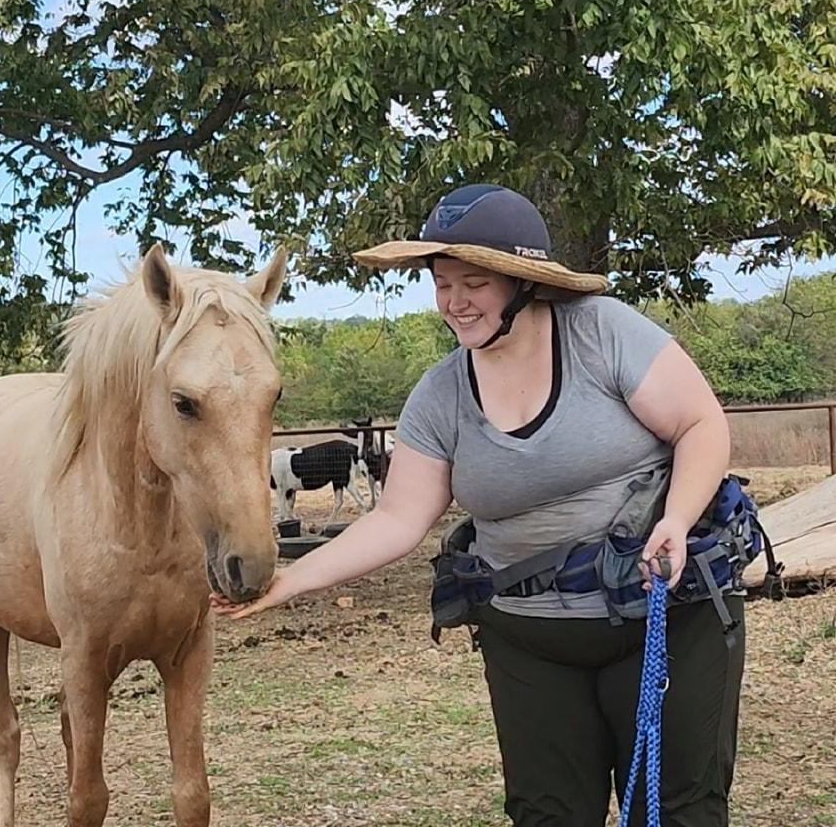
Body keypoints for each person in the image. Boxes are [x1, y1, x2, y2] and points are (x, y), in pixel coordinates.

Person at [212, 183, 744, 827]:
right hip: (527, 638)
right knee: (547, 815)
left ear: (523, 283)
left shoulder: (602, 334)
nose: (455, 303)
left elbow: (702, 426)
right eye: (442, 284)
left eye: (474, 283)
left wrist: (677, 520)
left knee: (675, 810)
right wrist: (290, 581)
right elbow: (397, 518)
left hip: (663, 614)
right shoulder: (440, 397)